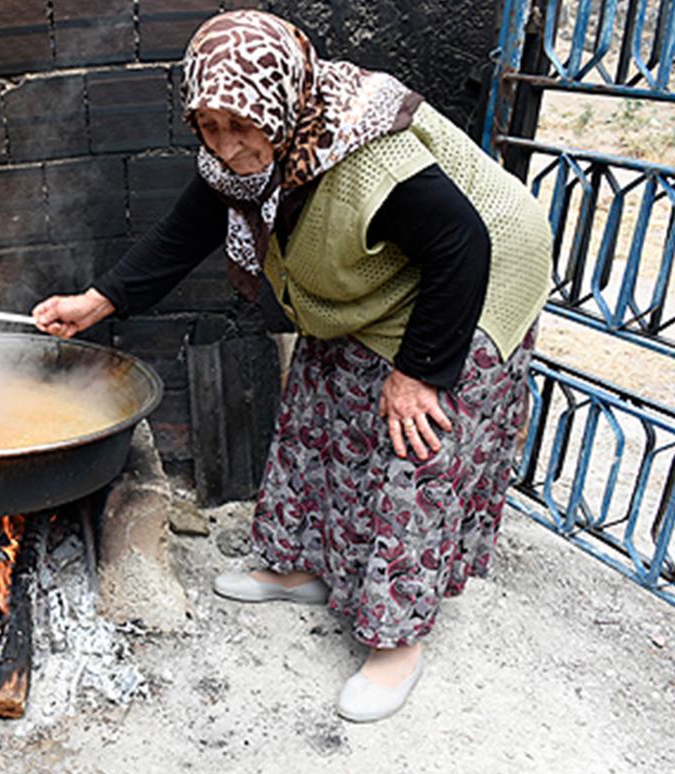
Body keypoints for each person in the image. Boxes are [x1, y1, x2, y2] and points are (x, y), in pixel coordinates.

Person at [32, 10, 551, 723]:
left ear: (282, 102)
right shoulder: (242, 148)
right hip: (374, 281)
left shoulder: (368, 154)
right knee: (319, 404)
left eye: (242, 127)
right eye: (209, 127)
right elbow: (187, 228)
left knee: (412, 442)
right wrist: (97, 302)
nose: (228, 147)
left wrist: (421, 371)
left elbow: (461, 243)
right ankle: (302, 566)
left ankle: (396, 642)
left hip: (478, 275)